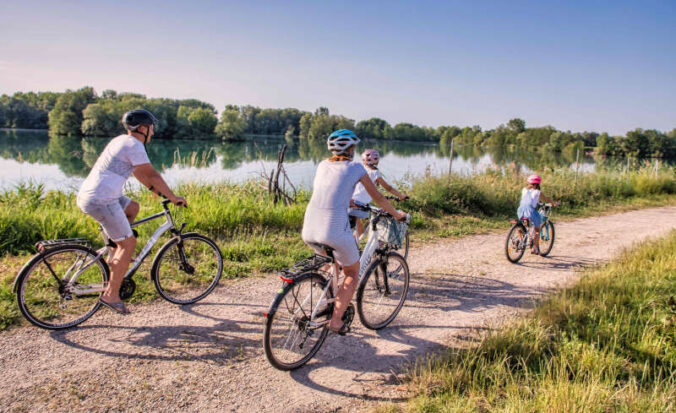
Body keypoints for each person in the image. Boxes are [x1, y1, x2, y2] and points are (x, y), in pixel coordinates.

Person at [76, 109, 187, 314]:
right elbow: (151, 174)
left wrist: (155, 191)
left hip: (92, 194)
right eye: (151, 128)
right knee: (129, 243)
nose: (153, 132)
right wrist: (173, 197)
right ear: (143, 128)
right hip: (102, 199)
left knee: (133, 207)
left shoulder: (121, 141)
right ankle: (111, 295)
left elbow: (138, 172)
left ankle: (115, 255)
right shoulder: (134, 145)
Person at [302, 129, 407, 335]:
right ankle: (336, 321)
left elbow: (330, 191)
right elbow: (379, 198)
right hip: (333, 230)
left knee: (333, 265)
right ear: (350, 149)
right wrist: (396, 214)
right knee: (352, 273)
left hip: (309, 229)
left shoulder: (323, 165)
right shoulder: (356, 167)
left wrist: (349, 200)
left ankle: (327, 297)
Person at [350, 149, 409, 237]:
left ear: (363, 160)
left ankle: (352, 246)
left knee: (359, 230)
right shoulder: (375, 173)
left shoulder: (360, 170)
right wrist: (401, 196)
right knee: (360, 231)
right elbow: (388, 188)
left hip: (350, 202)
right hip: (360, 205)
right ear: (377, 161)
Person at [517, 174, 558, 255]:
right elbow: (546, 199)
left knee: (524, 225)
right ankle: (535, 248)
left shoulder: (524, 190)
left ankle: (521, 237)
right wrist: (554, 203)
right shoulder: (537, 192)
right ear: (537, 184)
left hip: (521, 211)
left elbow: (531, 200)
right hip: (531, 212)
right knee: (537, 230)